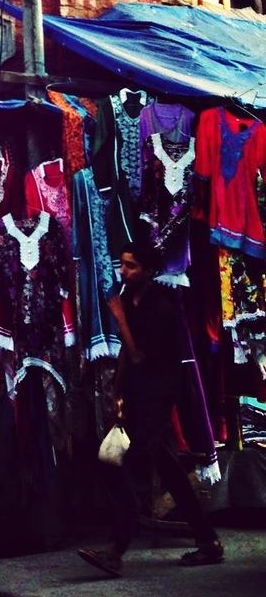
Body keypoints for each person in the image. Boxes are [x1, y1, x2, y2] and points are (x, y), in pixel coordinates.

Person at [78, 239, 223, 578]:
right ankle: (208, 542)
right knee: (168, 469)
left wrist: (120, 320)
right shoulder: (130, 298)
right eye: (123, 264)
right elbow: (127, 357)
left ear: (149, 270)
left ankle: (115, 550)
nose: (124, 272)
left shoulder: (162, 307)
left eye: (132, 266)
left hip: (159, 395)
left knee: (123, 465)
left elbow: (141, 354)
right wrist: (117, 393)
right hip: (136, 394)